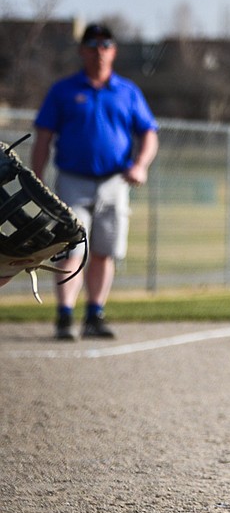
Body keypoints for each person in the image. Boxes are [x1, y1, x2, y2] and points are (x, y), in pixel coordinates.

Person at [31, 23, 158, 340]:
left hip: (114, 182)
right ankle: (64, 316)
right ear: (82, 50)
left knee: (104, 250)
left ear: (113, 51)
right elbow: (44, 137)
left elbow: (149, 133)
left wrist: (141, 165)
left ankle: (94, 315)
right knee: (71, 249)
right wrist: (37, 180)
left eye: (105, 46)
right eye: (92, 46)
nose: (99, 52)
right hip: (72, 181)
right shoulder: (64, 91)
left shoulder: (127, 91)